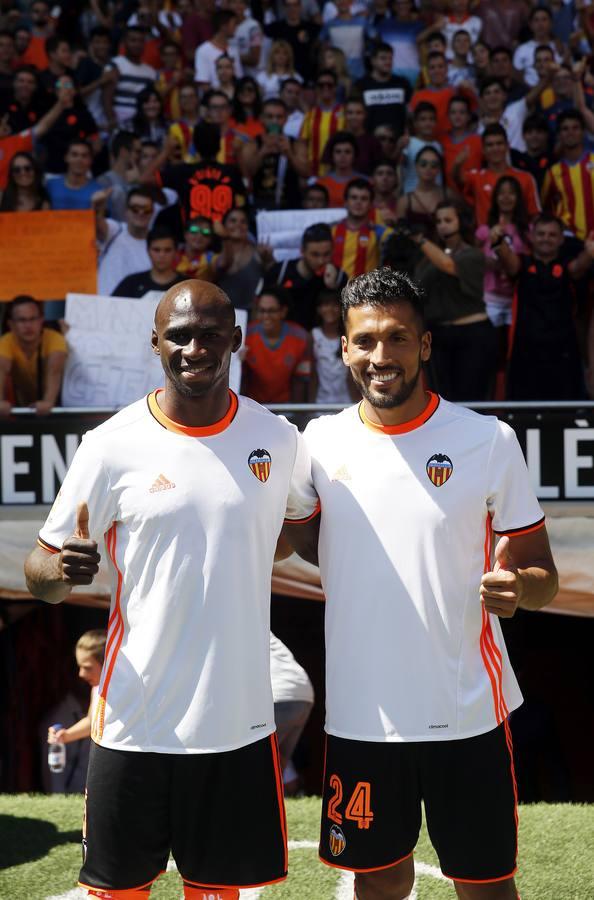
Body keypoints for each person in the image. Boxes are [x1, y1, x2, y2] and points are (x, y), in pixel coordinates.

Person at [25, 279, 319, 899]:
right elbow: (40, 573)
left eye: (210, 334)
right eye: (179, 335)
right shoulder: (110, 446)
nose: (194, 348)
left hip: (237, 728)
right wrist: (61, 571)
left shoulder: (280, 441)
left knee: (218, 894)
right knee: (118, 893)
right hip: (134, 723)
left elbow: (296, 536)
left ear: (235, 340)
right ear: (155, 342)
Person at [283, 266, 558, 900]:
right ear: (345, 347)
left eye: (399, 338)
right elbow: (299, 538)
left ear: (425, 345)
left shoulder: (487, 440)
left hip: (466, 712)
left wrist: (522, 592)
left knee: (486, 887)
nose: (382, 356)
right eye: (366, 340)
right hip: (363, 717)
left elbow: (541, 572)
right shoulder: (317, 445)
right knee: (379, 883)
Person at [496, 214, 592, 401]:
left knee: (563, 413)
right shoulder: (523, 263)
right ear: (531, 236)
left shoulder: (566, 265)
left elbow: (579, 266)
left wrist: (589, 253)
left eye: (551, 234)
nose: (546, 238)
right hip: (525, 353)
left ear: (561, 239)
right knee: (524, 413)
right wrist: (499, 242)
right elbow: (508, 261)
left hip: (563, 354)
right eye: (541, 234)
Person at [415, 200, 495, 402]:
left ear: (463, 222)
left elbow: (448, 264)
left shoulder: (473, 254)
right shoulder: (426, 258)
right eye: (439, 221)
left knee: (472, 399)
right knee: (441, 401)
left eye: (448, 220)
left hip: (472, 333)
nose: (442, 225)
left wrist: (420, 240)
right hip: (439, 335)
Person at [264, 222, 347, 330]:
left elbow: (346, 316)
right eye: (315, 254)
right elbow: (261, 307)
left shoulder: (340, 277)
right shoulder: (280, 272)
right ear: (302, 251)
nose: (321, 260)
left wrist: (333, 287)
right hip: (285, 338)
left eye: (326, 254)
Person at [455, 124, 541, 227]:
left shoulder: (526, 178)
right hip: (486, 240)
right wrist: (457, 164)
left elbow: (535, 215)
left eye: (499, 143)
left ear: (507, 146)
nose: (495, 148)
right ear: (483, 149)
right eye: (490, 145)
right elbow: (458, 179)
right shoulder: (476, 177)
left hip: (519, 241)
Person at [476, 175, 531, 329]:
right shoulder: (484, 230)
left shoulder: (527, 231)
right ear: (495, 198)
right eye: (501, 193)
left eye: (511, 193)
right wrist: (489, 262)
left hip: (517, 300)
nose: (506, 197)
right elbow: (474, 258)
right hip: (490, 299)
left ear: (518, 198)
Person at [0, 295, 67, 416]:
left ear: (41, 320)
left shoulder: (54, 338)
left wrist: (48, 402)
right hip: (23, 410)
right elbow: (1, 369)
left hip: (59, 409)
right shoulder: (6, 342)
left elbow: (55, 371)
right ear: (11, 324)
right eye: (22, 320)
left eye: (33, 319)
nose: (28, 325)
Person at [242, 288, 312, 403]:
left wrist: (295, 415)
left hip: (286, 408)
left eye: (271, 311)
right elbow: (239, 378)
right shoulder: (245, 336)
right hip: (253, 406)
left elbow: (301, 380)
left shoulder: (300, 337)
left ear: (283, 312)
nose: (266, 316)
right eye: (262, 311)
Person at [47, 630, 107, 749]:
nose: (81, 674)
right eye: (80, 666)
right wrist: (66, 736)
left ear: (106, 663)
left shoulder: (124, 692)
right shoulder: (96, 688)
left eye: (87, 668)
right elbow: (91, 721)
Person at [542, 110, 594, 241]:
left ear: (583, 132)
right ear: (559, 135)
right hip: (569, 241)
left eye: (575, 128)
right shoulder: (553, 172)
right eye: (565, 129)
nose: (570, 132)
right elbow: (546, 207)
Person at [214, 206, 273, 310]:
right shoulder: (215, 253)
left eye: (243, 222)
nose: (238, 225)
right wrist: (225, 238)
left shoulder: (258, 251)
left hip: (251, 315)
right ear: (224, 226)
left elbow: (273, 276)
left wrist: (268, 259)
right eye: (233, 221)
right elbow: (224, 264)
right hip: (222, 314)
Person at [332, 179, 392, 278]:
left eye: (364, 199)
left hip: (365, 292)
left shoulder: (381, 233)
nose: (358, 202)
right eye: (354, 197)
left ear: (370, 205)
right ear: (346, 202)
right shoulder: (332, 231)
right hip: (336, 292)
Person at [395, 145, 452, 240]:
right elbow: (400, 236)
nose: (428, 168)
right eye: (423, 164)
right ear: (416, 167)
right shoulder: (404, 202)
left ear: (439, 169)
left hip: (442, 252)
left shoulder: (448, 195)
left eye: (433, 165)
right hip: (413, 252)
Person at [111, 227, 187, 297]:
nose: (162, 255)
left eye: (167, 250)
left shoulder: (188, 286)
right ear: (148, 251)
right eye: (156, 250)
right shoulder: (131, 283)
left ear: (176, 252)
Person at [105, 26, 156, 127]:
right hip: (119, 123)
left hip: (142, 124)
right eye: (133, 40)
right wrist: (112, 121)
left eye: (141, 41)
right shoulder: (115, 65)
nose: (137, 44)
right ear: (124, 42)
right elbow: (106, 97)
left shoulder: (150, 72)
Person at [298, 68, 345, 176]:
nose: (325, 88)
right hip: (315, 173)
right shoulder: (309, 115)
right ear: (316, 88)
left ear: (336, 88)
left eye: (329, 85)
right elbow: (302, 144)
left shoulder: (345, 113)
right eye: (321, 85)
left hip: (339, 174)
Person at [310, 290, 352, 403]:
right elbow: (312, 373)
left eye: (334, 305)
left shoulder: (349, 335)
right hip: (320, 401)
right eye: (325, 305)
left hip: (346, 401)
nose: (330, 309)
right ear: (319, 309)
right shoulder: (314, 335)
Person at [46, 139, 101, 210]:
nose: (79, 159)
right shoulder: (50, 185)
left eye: (84, 156)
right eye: (74, 155)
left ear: (91, 160)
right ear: (66, 158)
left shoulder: (98, 190)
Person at [316, 131, 364, 207]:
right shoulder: (320, 183)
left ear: (355, 155)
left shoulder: (366, 183)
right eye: (338, 152)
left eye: (347, 152)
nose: (342, 156)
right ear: (332, 155)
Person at [175, 216, 218, 280]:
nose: (199, 236)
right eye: (194, 231)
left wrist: (225, 238)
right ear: (185, 234)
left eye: (206, 232)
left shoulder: (213, 259)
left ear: (210, 239)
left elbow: (225, 263)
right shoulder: (172, 254)